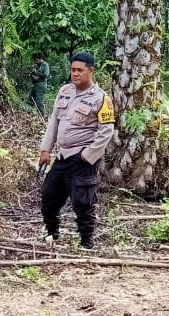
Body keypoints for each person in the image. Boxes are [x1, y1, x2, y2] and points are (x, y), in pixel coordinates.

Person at [39, 52, 116, 249]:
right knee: (48, 196)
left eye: (80, 70)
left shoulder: (101, 99)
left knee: (83, 202)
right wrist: (45, 149)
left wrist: (88, 156)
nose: (75, 74)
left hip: (81, 158)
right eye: (73, 70)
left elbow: (106, 131)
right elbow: (54, 122)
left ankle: (86, 242)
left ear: (91, 71)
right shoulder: (65, 91)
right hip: (62, 155)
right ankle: (52, 233)